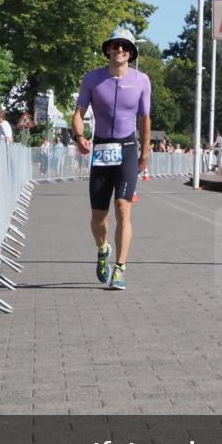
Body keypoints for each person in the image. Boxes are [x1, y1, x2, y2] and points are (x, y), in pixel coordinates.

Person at [71, 27, 151, 291]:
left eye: (125, 47)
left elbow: (144, 119)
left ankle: (120, 268)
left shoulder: (142, 80)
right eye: (115, 45)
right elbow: (78, 112)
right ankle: (102, 248)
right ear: (107, 49)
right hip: (103, 147)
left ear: (131, 53)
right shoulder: (93, 79)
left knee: (123, 208)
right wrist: (79, 136)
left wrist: (145, 152)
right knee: (98, 217)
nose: (120, 50)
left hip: (127, 146)